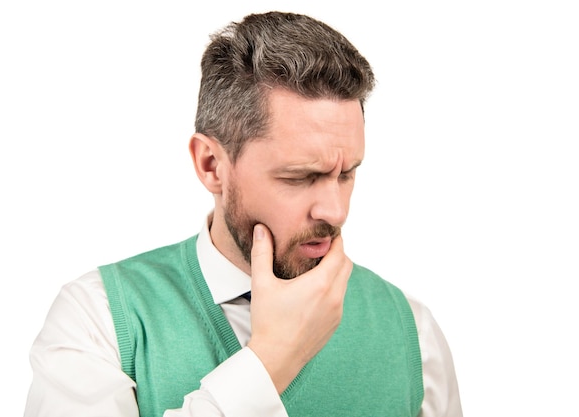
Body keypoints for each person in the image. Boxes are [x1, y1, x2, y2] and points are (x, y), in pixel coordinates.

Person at [24, 11, 462, 417]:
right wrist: (271, 360)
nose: (336, 210)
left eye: (346, 173)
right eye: (300, 177)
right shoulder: (96, 318)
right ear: (211, 165)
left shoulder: (413, 331)